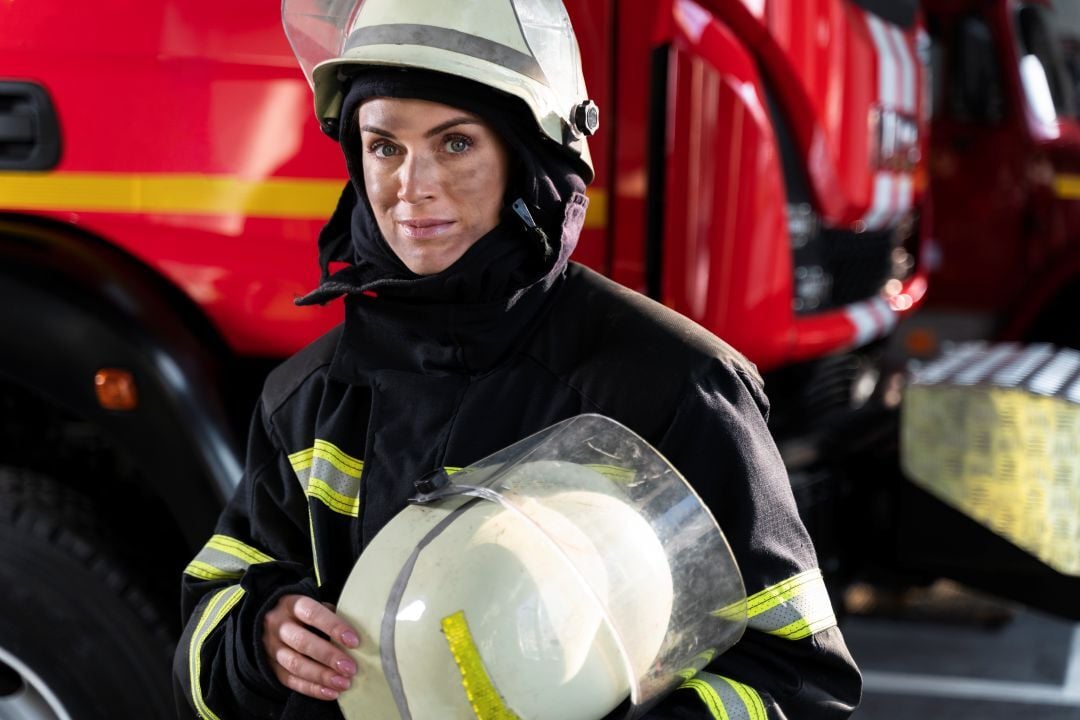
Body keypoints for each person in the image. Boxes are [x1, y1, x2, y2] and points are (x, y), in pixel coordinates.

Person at [173, 0, 863, 718]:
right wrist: (260, 638)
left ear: (527, 158)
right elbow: (202, 640)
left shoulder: (672, 386)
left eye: (455, 144)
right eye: (385, 147)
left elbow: (797, 680)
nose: (413, 185)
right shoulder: (311, 400)